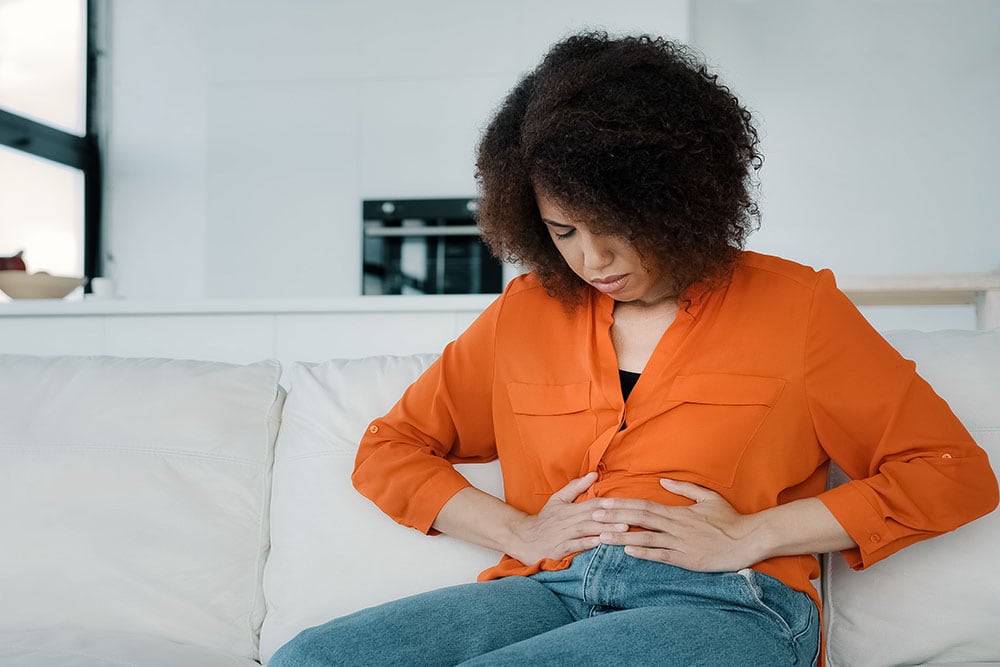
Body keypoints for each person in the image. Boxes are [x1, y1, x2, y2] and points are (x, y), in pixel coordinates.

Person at [270, 32, 998, 666]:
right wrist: (516, 529)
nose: (592, 257)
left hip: (729, 607)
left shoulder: (798, 307)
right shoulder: (525, 314)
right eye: (562, 232)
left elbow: (949, 473)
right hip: (550, 588)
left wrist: (752, 532)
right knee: (313, 657)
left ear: (676, 195)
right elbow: (392, 448)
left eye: (613, 223)